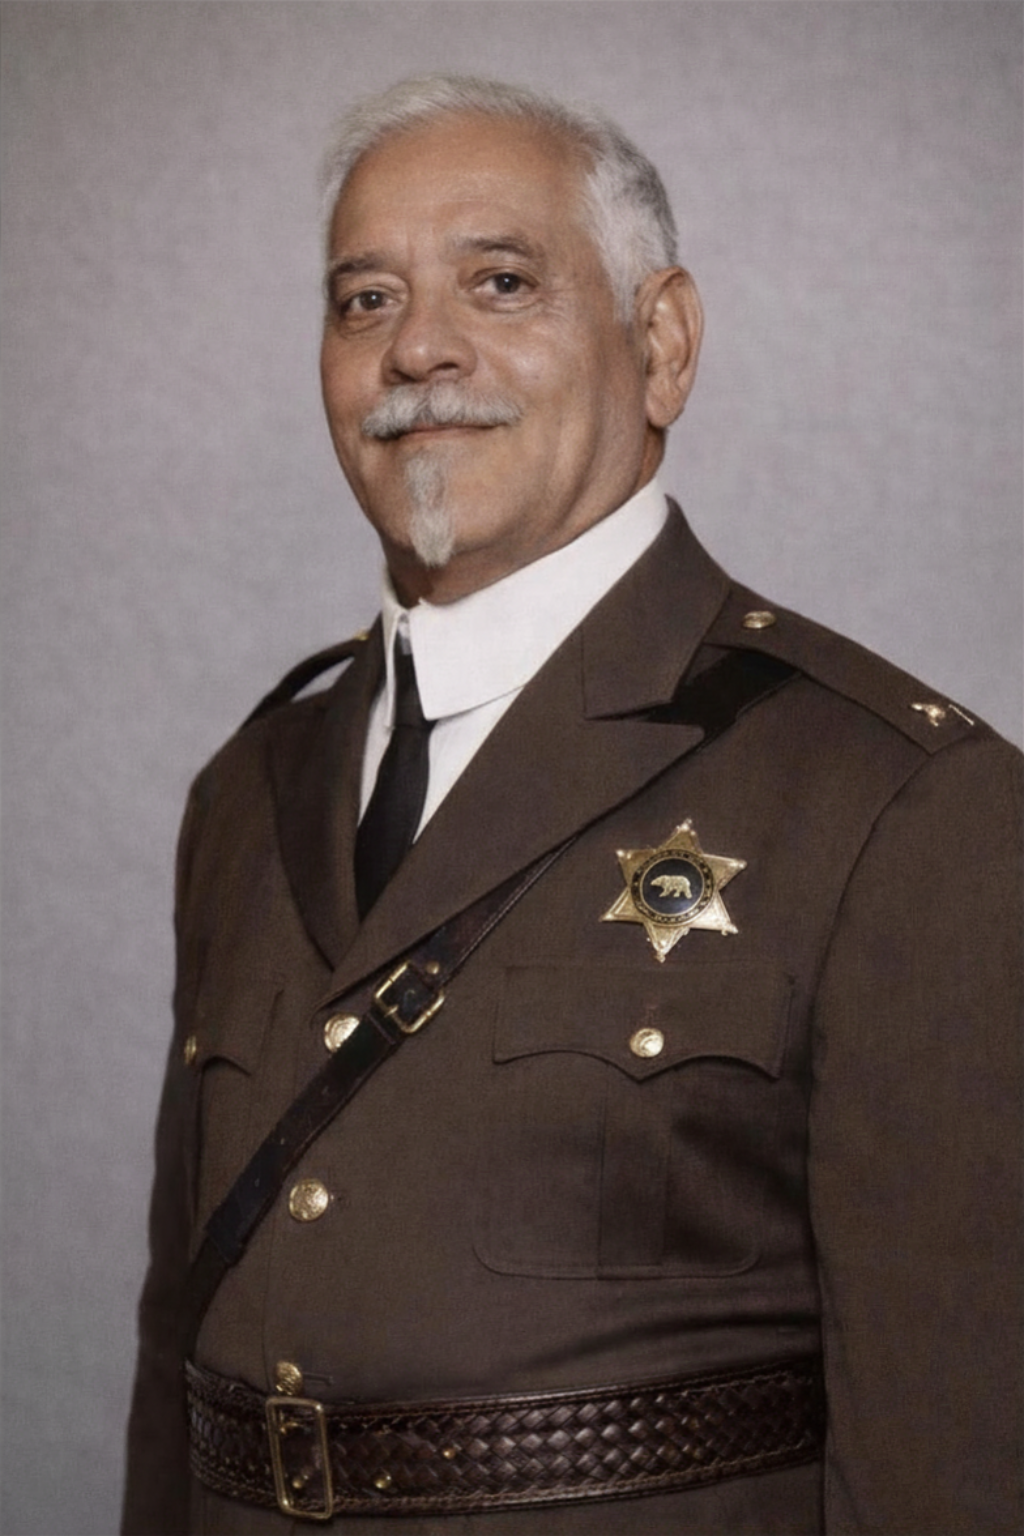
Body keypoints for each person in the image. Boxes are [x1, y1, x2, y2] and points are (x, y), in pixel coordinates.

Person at [122, 75, 1022, 1535]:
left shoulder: (897, 802)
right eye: (363, 301)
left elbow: (963, 1461)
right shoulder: (247, 791)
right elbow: (180, 1368)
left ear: (659, 345)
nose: (417, 347)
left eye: (500, 281)